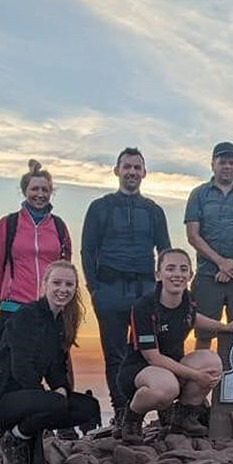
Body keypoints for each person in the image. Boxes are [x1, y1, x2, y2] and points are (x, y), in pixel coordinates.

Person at [119, 248, 233, 445]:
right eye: (170, 269)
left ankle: (182, 418)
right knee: (166, 388)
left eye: (183, 269)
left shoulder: (187, 299)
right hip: (141, 371)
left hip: (172, 367)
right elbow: (153, 358)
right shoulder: (144, 306)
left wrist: (226, 327)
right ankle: (131, 418)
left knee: (212, 361)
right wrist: (197, 377)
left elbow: (193, 319)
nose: (177, 274)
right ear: (158, 274)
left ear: (190, 275)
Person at [0, 260, 99, 464]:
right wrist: (49, 399)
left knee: (88, 407)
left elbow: (55, 366)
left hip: (31, 397)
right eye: (57, 283)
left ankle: (22, 435)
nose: (63, 289)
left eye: (69, 284)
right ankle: (14, 438)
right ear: (44, 285)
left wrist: (61, 388)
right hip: (2, 398)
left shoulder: (59, 323)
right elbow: (20, 367)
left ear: (75, 288)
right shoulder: (27, 316)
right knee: (55, 403)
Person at [81, 147, 171, 425]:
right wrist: (94, 289)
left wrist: (162, 289)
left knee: (154, 350)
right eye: (127, 167)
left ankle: (160, 409)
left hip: (145, 289)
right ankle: (122, 411)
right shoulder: (100, 207)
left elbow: (164, 250)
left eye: (137, 167)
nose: (132, 172)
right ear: (117, 171)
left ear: (144, 173)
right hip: (109, 289)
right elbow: (87, 249)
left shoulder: (154, 210)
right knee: (115, 354)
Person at [185, 142, 233, 350]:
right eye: (222, 162)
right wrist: (221, 263)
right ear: (213, 164)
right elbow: (193, 235)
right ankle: (204, 381)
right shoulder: (199, 194)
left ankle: (232, 382)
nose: (227, 166)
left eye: (231, 162)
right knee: (204, 335)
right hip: (208, 275)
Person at [0, 159, 72, 317]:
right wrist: (2, 297)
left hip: (50, 307)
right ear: (24, 191)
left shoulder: (59, 226)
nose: (40, 194)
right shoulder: (8, 224)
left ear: (50, 193)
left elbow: (66, 269)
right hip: (14, 307)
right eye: (34, 189)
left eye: (45, 190)